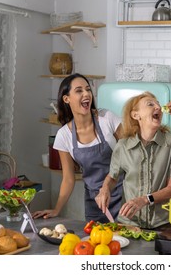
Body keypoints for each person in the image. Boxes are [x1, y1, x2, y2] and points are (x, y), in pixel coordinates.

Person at [32, 73, 123, 223]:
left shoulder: (107, 118)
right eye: (79, 90)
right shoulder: (64, 135)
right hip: (95, 204)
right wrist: (57, 209)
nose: (86, 94)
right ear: (66, 99)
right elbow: (68, 178)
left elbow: (130, 153)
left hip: (123, 196)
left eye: (88, 89)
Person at [95, 92, 171, 229]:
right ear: (135, 115)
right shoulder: (123, 146)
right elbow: (112, 176)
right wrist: (105, 189)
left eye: (158, 104)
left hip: (162, 224)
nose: (158, 107)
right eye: (150, 104)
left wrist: (145, 199)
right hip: (129, 223)